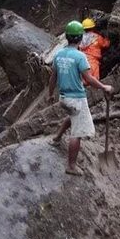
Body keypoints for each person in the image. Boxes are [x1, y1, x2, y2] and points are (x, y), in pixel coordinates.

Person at [49, 20, 113, 176]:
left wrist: (50, 95)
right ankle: (71, 166)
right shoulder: (80, 56)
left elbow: (52, 78)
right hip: (76, 98)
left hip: (63, 98)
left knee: (73, 116)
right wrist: (105, 86)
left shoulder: (58, 55)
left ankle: (57, 137)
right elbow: (89, 79)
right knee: (77, 133)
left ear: (66, 37)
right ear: (79, 38)